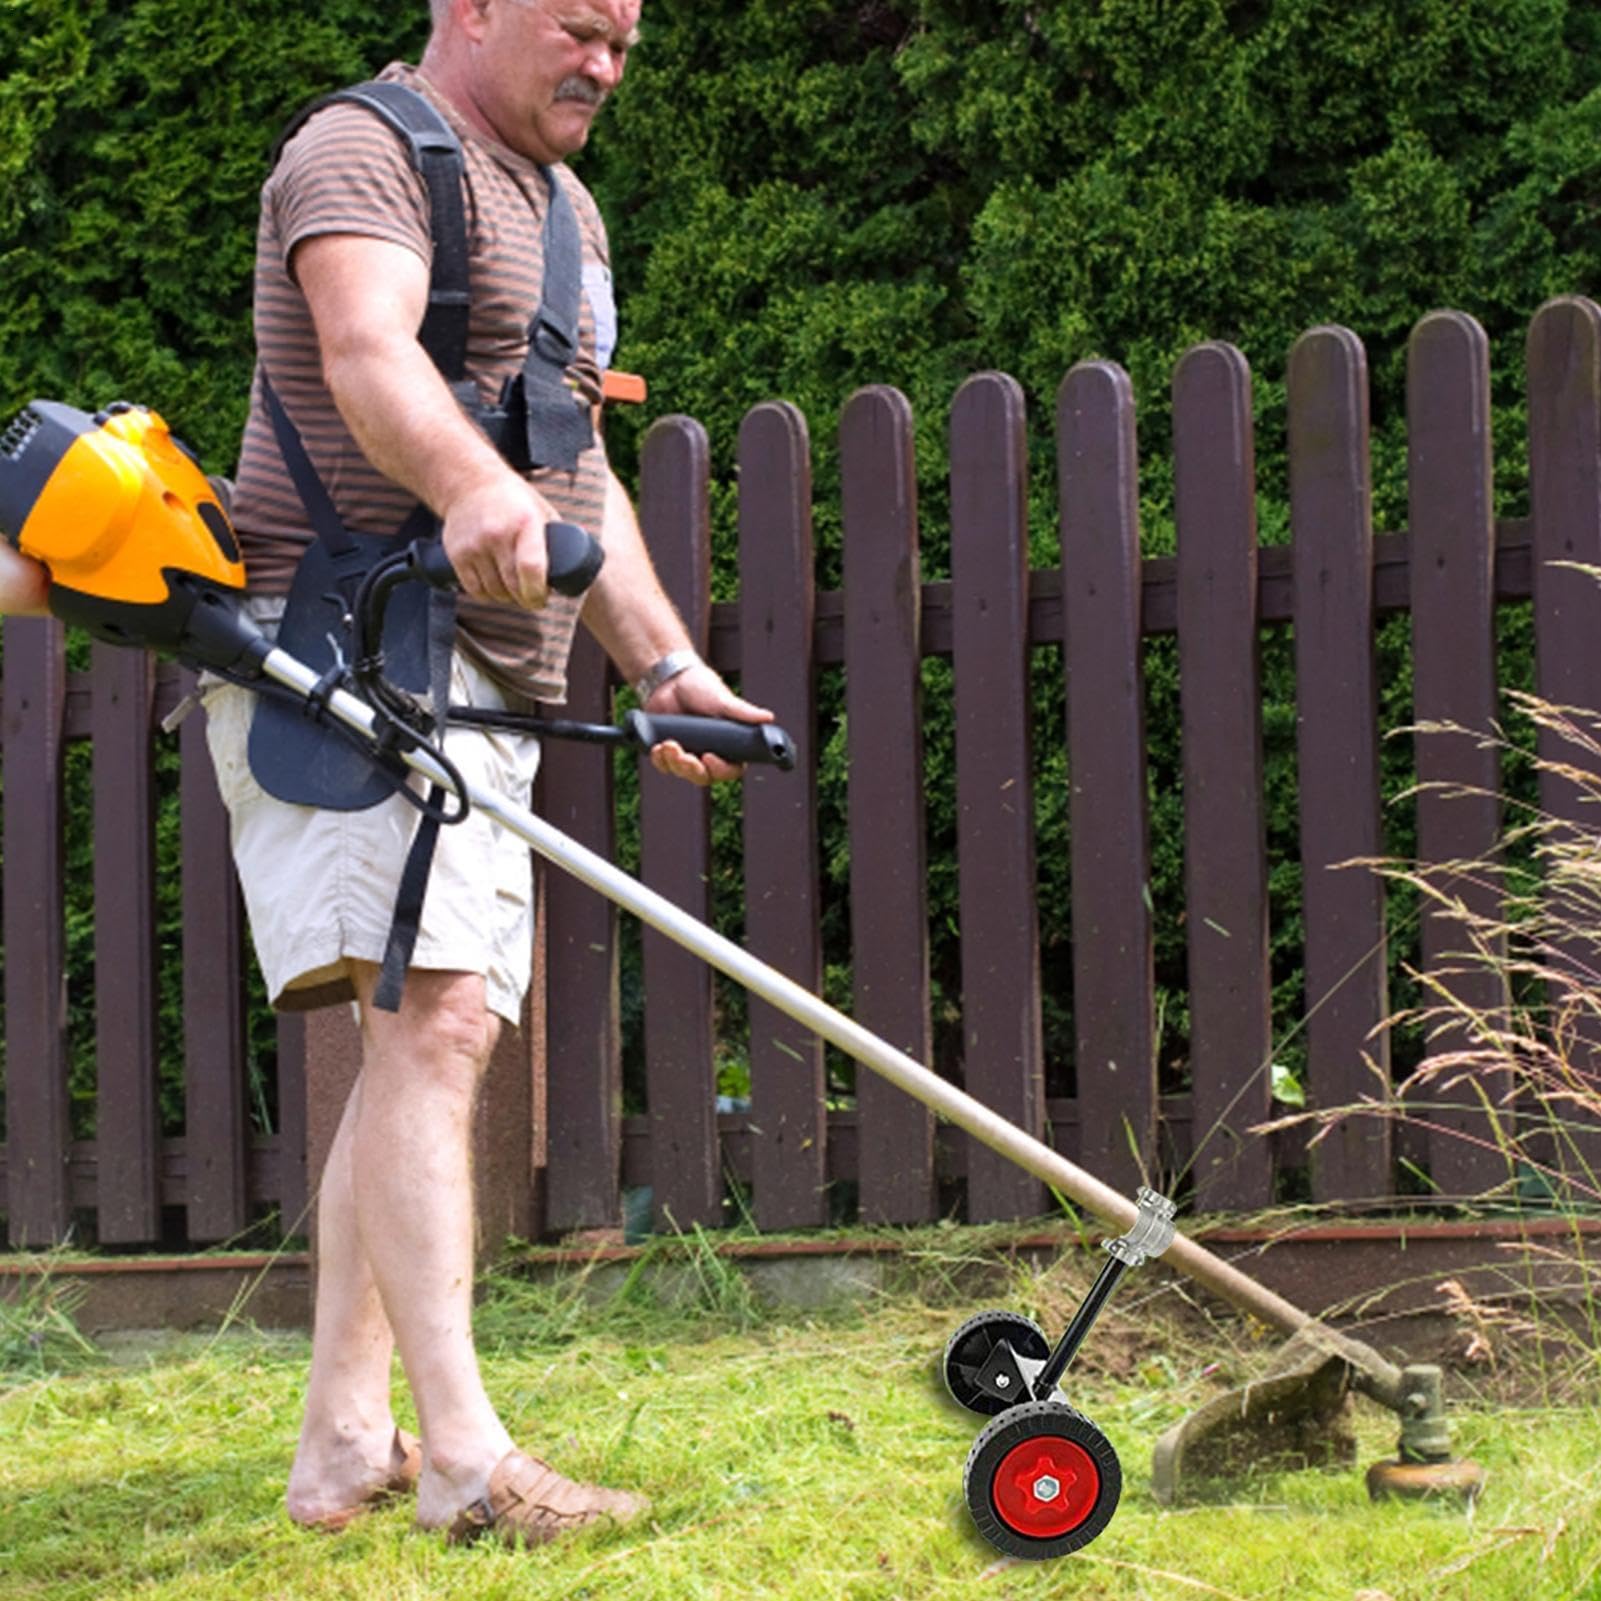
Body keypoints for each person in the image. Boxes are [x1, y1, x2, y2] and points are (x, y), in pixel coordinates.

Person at [201, 0, 764, 1548]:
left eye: (626, 43)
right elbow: (365, 351)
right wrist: (465, 486)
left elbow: (573, 467)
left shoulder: (565, 212)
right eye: (578, 29)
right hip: (346, 645)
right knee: (436, 1022)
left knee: (422, 1036)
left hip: (481, 677)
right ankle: (462, 1459)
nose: (605, 67)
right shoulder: (363, 150)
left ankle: (342, 1442)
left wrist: (663, 664)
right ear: (473, 6)